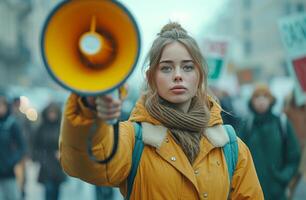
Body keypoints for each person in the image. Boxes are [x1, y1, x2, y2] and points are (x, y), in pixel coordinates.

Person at [59, 22, 263, 199]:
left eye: (187, 67)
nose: (177, 75)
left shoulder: (231, 146)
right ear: (151, 78)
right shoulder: (133, 138)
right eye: (166, 68)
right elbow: (84, 162)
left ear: (200, 75)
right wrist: (88, 108)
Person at [238, 84, 301, 200]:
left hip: (277, 193)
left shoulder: (281, 123)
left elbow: (294, 155)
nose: (261, 100)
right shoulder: (247, 125)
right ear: (252, 101)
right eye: (257, 97)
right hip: (251, 192)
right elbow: (237, 157)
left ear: (271, 100)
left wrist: (283, 177)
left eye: (265, 96)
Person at [32, 102, 66, 200]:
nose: (52, 115)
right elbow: (35, 145)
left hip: (58, 163)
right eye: (50, 113)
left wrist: (62, 153)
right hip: (46, 163)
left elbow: (67, 144)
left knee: (56, 191)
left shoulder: (61, 127)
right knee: (48, 190)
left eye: (54, 113)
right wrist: (40, 158)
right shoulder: (41, 127)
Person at [0, 92, 26, 200]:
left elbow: (22, 146)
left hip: (7, 171)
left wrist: (12, 161)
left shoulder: (12, 124)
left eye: (1, 105)